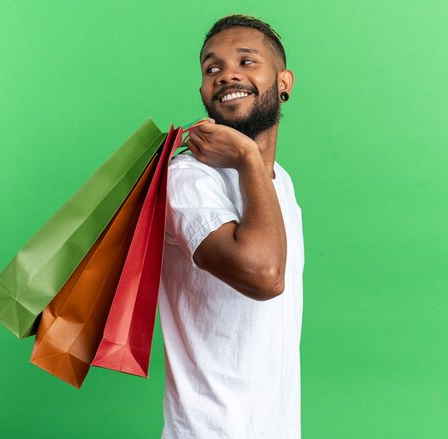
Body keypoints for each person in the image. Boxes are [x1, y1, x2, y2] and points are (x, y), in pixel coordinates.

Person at [159, 14, 304, 439]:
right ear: (203, 90)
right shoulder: (188, 178)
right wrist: (244, 156)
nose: (227, 76)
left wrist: (252, 164)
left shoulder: (281, 182)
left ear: (284, 82)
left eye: (247, 61)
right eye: (212, 68)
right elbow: (264, 275)